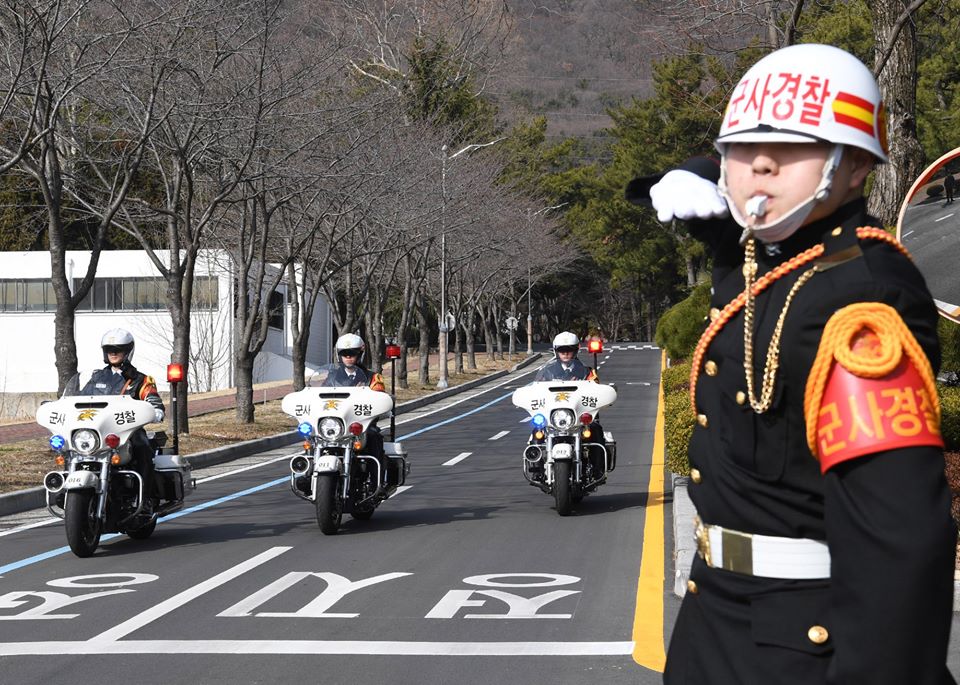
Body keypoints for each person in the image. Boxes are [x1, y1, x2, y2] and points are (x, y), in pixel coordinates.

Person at [631, 44, 955, 684]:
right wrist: (701, 170)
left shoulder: (863, 297)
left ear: (857, 165)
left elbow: (898, 540)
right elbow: (742, 250)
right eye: (741, 145)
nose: (760, 163)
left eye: (795, 143)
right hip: (716, 621)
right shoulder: (776, 264)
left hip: (805, 644)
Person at [83, 328, 165, 511]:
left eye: (118, 349)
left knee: (143, 448)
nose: (113, 353)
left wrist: (155, 410)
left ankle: (143, 500)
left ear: (128, 352)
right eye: (110, 349)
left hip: (128, 432)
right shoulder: (95, 378)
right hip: (99, 432)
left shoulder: (140, 380)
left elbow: (152, 398)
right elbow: (80, 399)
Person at [533, 332, 606, 477]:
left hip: (578, 417)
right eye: (561, 349)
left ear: (576, 350)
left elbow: (597, 388)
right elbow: (535, 389)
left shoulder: (586, 371)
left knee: (596, 430)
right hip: (554, 417)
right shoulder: (546, 372)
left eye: (569, 349)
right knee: (536, 431)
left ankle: (598, 469)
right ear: (556, 351)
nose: (565, 353)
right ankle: (536, 468)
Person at [324, 333, 389, 489]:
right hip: (337, 426)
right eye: (344, 354)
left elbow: (380, 398)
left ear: (360, 353)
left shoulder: (373, 377)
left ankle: (376, 481)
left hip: (362, 425)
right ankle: (307, 473)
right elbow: (319, 396)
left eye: (352, 353)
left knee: (373, 437)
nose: (348, 357)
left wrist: (368, 394)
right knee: (313, 438)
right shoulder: (331, 378)